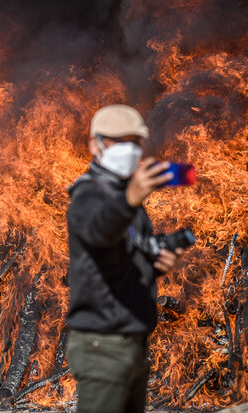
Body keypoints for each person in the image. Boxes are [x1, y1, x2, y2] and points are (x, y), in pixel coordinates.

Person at [66, 104, 185, 413]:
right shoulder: (88, 193)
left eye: (134, 142)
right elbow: (98, 233)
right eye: (119, 141)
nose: (128, 149)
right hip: (102, 345)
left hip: (133, 342)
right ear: (95, 145)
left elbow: (118, 260)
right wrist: (131, 198)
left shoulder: (130, 203)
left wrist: (157, 265)